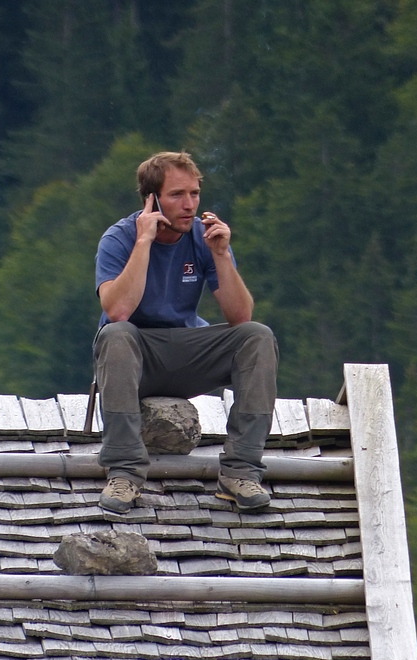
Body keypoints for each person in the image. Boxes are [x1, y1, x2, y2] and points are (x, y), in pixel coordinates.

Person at [93, 151, 278, 514]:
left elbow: (240, 315)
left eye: (194, 194)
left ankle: (240, 471)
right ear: (152, 199)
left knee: (258, 336)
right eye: (177, 195)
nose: (189, 204)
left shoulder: (202, 237)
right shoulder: (119, 238)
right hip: (133, 356)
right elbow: (117, 311)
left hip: (186, 350)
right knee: (116, 335)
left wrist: (221, 255)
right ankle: (125, 472)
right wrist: (143, 242)